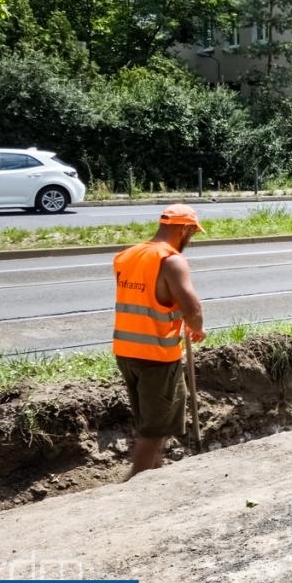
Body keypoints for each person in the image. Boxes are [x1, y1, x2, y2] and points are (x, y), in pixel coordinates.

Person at [112, 203, 207, 478]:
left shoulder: (126, 256)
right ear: (185, 228)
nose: (191, 239)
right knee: (155, 427)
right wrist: (196, 327)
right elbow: (193, 309)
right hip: (157, 354)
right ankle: (137, 483)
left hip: (126, 351)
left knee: (151, 420)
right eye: (192, 233)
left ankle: (155, 473)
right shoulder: (171, 260)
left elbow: (148, 299)